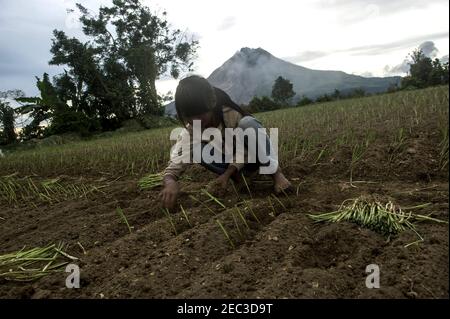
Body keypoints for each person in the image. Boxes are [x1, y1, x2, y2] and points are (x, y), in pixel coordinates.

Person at [160, 75, 291, 209]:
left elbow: (244, 150)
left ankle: (276, 174)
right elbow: (176, 161)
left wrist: (227, 173)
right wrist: (170, 181)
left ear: (211, 104)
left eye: (199, 113)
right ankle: (239, 179)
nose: (195, 120)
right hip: (233, 163)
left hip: (254, 157)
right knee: (197, 150)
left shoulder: (230, 114)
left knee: (248, 123)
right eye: (189, 116)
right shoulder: (191, 130)